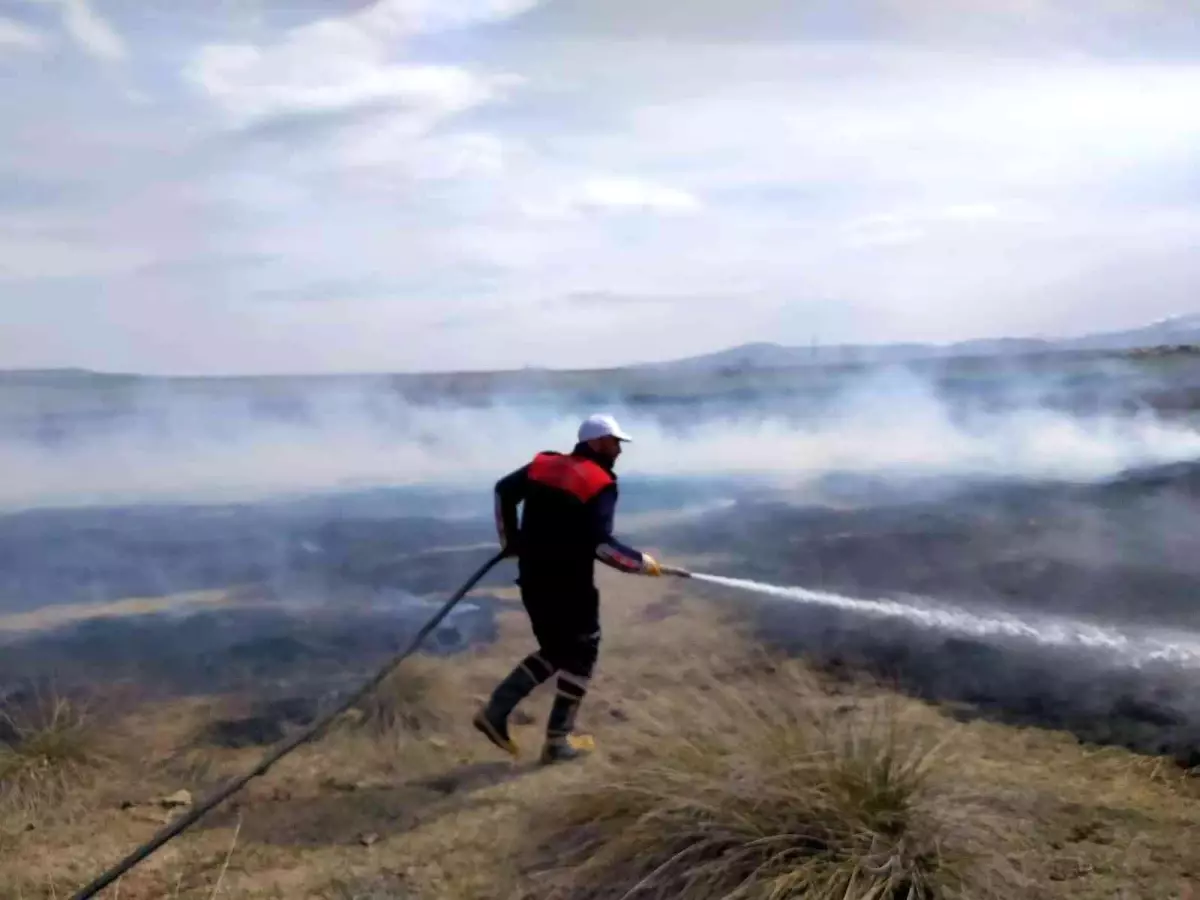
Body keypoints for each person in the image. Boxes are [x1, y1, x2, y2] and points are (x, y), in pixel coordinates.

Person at [473, 413, 667, 764]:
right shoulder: (599, 481)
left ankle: (497, 713)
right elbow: (601, 545)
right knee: (583, 648)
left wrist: (511, 539)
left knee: (558, 649)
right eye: (613, 442)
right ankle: (556, 742)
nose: (619, 450)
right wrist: (639, 563)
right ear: (594, 443)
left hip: (532, 576)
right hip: (568, 583)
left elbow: (504, 490)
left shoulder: (544, 465)